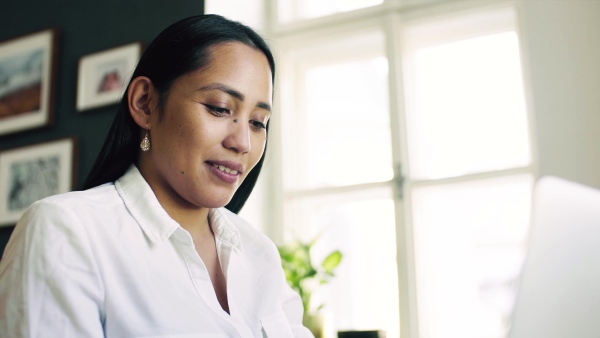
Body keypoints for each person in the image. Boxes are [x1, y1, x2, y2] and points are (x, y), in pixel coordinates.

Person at [0, 15, 313, 338]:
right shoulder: (66, 231)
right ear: (145, 103)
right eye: (220, 108)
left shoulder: (259, 253)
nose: (242, 143)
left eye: (258, 122)